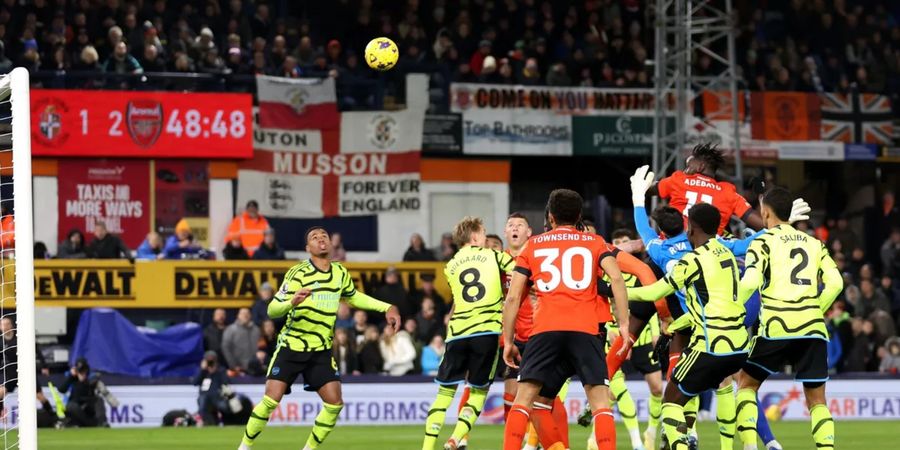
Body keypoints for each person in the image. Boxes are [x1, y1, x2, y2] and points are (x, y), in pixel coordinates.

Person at [238, 226, 400, 450]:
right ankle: (244, 447)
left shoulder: (340, 273)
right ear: (308, 248)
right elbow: (272, 309)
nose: (320, 239)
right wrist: (291, 302)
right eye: (314, 237)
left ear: (330, 244)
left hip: (321, 349)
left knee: (334, 404)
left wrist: (387, 307)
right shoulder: (298, 273)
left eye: (324, 235)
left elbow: (354, 297)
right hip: (292, 345)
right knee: (271, 400)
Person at [503, 189, 631, 450]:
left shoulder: (533, 245)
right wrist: (625, 325)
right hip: (585, 329)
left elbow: (513, 298)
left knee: (524, 401)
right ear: (579, 216)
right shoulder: (594, 242)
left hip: (545, 328)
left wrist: (508, 340)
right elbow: (617, 279)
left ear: (550, 216)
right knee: (600, 404)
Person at [626, 203, 749, 450]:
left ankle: (681, 444)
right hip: (739, 346)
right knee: (721, 386)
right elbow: (708, 306)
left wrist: (617, 291)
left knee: (671, 400)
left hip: (711, 346)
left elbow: (656, 291)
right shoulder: (727, 254)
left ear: (691, 228)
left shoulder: (693, 260)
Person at [734, 187, 843, 450]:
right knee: (817, 401)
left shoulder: (762, 242)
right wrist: (815, 309)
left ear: (766, 212)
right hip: (812, 328)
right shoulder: (814, 242)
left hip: (777, 326)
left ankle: (750, 447)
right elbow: (836, 283)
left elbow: (750, 281)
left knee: (746, 385)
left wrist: (732, 304)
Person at [422, 216, 514, 450]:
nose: (486, 238)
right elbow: (519, 270)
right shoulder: (493, 255)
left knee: (444, 393)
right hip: (486, 330)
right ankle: (456, 438)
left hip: (457, 333)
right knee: (479, 391)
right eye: (483, 233)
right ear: (474, 236)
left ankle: (427, 446)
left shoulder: (450, 265)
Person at [647, 143, 764, 233]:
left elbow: (646, 190)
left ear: (701, 166)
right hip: (708, 255)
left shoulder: (679, 179)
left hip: (672, 249)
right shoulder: (728, 192)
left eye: (688, 166)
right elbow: (760, 223)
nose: (685, 170)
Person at [61, 358, 109, 427]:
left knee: (99, 400)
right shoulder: (71, 378)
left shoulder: (91, 378)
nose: (82, 373)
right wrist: (71, 376)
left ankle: (102, 422)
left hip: (89, 405)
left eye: (83, 370)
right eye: (80, 371)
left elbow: (104, 392)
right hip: (76, 406)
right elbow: (62, 390)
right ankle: (87, 424)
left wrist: (86, 380)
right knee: (71, 406)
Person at [194, 351, 230, 426]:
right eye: (208, 360)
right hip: (204, 396)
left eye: (212, 360)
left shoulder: (221, 370)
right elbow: (195, 382)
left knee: (224, 406)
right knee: (203, 400)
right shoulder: (203, 371)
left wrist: (215, 371)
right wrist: (203, 370)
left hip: (217, 396)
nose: (210, 362)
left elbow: (225, 382)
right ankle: (206, 422)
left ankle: (226, 421)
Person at [222, 308, 260, 375]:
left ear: (250, 315)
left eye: (247, 313)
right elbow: (225, 348)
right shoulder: (230, 329)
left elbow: (261, 348)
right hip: (237, 369)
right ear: (238, 316)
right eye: (242, 313)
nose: (245, 315)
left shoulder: (257, 330)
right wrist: (233, 365)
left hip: (256, 369)